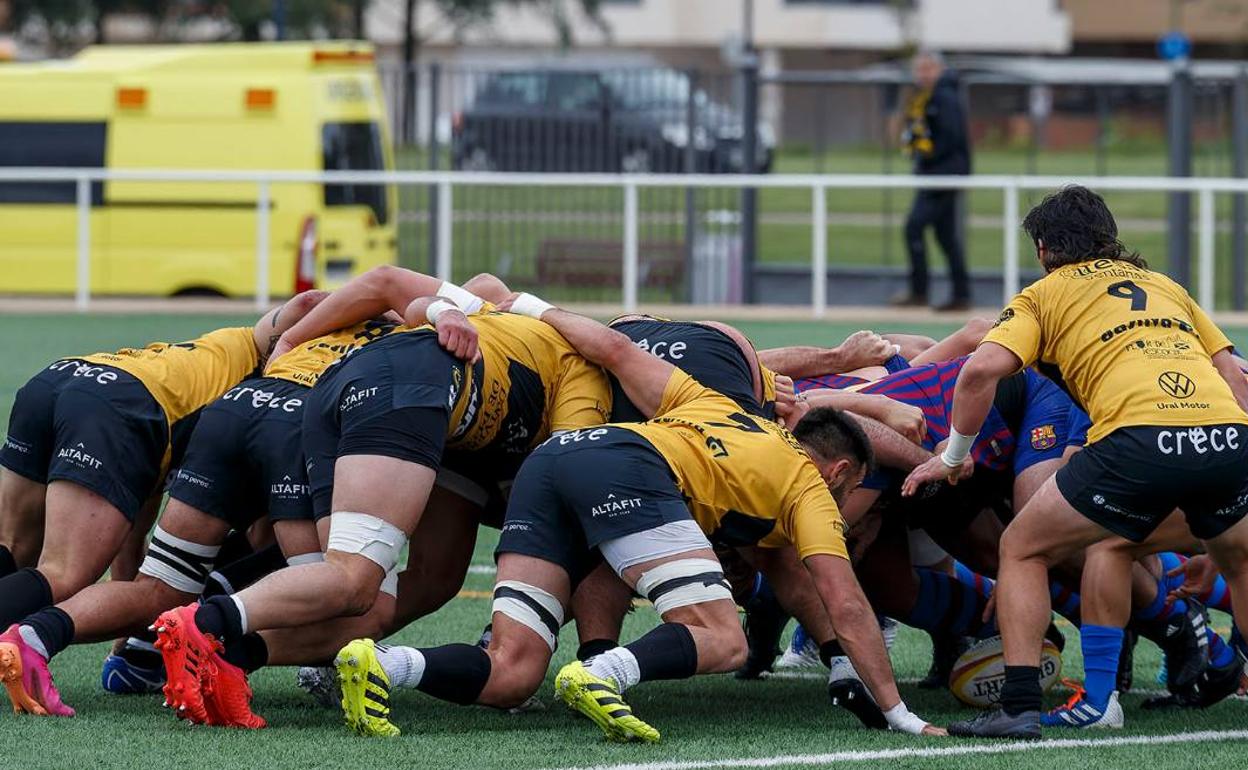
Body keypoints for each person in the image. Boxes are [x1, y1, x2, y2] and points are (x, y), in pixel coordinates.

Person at [330, 297, 945, 741]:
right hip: (627, 467)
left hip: (551, 460)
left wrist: (527, 305)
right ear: (837, 471)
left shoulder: (714, 401)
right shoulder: (811, 487)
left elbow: (614, 348)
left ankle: (383, 665)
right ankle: (604, 671)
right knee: (722, 636)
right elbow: (845, 601)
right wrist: (898, 712)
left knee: (513, 673)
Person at [147, 277, 613, 728]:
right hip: (412, 390)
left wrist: (439, 310)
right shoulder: (587, 369)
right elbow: (561, 473)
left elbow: (420, 303)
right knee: (351, 578)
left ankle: (232, 657)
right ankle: (204, 623)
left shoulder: (506, 320)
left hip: (352, 385)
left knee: (385, 598)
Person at [904, 185, 1248, 738]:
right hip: (1227, 436)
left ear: (1043, 249)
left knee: (1022, 546)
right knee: (1155, 546)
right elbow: (1236, 378)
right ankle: (1145, 686)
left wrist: (952, 457)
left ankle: (1018, 708)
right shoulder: (1164, 286)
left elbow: (978, 371)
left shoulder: (1044, 294)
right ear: (1108, 238)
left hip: (1137, 439)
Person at [0, 292, 330, 716]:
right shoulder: (271, 367)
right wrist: (404, 306)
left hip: (63, 380)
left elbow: (136, 511)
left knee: (14, 552)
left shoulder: (228, 350)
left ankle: (133, 648)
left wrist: (130, 628)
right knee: (63, 575)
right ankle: (32, 641)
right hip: (119, 406)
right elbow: (308, 304)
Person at [893, 50, 972, 311]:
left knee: (914, 227)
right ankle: (960, 294)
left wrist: (925, 154)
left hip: (943, 175)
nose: (922, 75)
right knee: (946, 235)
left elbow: (950, 138)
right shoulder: (928, 96)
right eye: (919, 69)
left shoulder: (944, 96)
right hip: (938, 173)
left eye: (928, 69)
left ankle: (920, 291)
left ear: (939, 69)